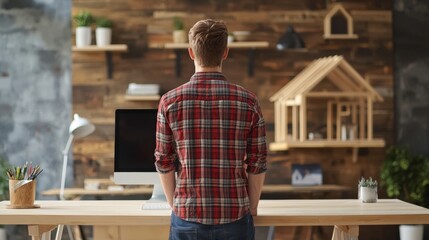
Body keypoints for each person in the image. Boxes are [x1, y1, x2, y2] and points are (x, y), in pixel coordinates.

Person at [154, 19, 267, 240]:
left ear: (190, 53)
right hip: (235, 217)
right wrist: (252, 208)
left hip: (187, 217)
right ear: (225, 52)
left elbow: (163, 161)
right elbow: (257, 161)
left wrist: (176, 206)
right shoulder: (248, 101)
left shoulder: (169, 102)